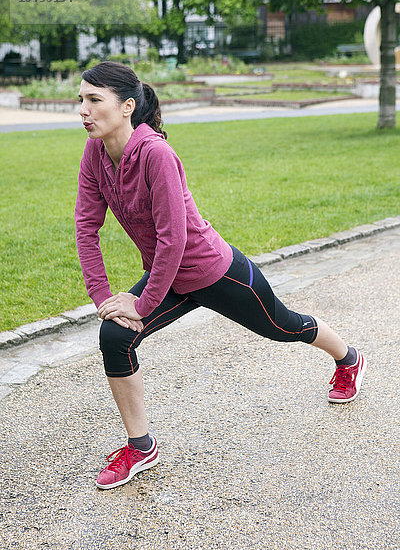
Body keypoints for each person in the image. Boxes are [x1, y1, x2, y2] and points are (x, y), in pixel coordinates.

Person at [75, 61, 367, 490]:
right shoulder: (95, 153)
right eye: (80, 99)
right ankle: (141, 446)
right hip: (167, 276)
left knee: (285, 327)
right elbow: (87, 225)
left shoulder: (156, 154)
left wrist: (141, 304)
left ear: (126, 107)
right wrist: (104, 298)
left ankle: (349, 358)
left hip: (214, 271)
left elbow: (174, 240)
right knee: (116, 336)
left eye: (94, 100)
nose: (83, 109)